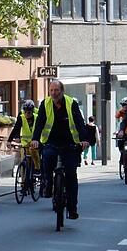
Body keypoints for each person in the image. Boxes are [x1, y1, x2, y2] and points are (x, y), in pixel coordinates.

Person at [31, 80, 89, 220]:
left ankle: (72, 208)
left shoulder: (71, 103)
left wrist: (84, 139)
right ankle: (48, 185)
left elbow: (79, 123)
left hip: (70, 143)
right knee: (47, 159)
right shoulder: (45, 104)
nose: (54, 93)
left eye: (56, 90)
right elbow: (39, 123)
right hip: (51, 142)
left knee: (70, 175)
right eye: (51, 90)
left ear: (62, 91)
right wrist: (35, 139)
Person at [7, 99, 41, 186]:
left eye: (29, 112)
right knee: (23, 162)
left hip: (35, 142)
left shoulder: (37, 118)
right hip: (25, 143)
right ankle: (23, 184)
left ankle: (37, 169)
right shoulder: (21, 117)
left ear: (32, 111)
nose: (27, 114)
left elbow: (39, 130)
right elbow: (16, 129)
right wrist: (11, 140)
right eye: (25, 112)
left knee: (34, 153)